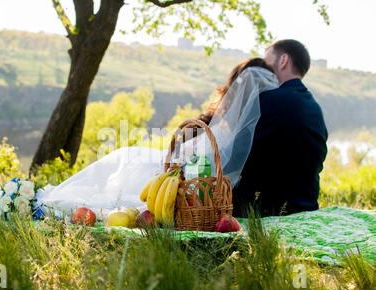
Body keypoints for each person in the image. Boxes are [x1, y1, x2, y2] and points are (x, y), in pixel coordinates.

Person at [35, 58, 280, 217]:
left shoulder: (237, 129)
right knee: (123, 165)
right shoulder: (230, 125)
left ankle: (54, 200)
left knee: (120, 179)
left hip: (179, 178)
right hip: (169, 169)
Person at [231, 39, 328, 217]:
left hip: (267, 210)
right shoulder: (315, 108)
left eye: (266, 62)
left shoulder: (267, 100)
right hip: (307, 206)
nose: (262, 69)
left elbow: (236, 156)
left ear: (283, 60)